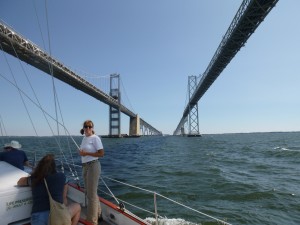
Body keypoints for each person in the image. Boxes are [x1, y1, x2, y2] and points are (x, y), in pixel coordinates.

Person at [17, 154, 81, 225]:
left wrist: (34, 173)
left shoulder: (35, 178)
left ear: (40, 166)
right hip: (57, 215)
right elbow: (64, 198)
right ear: (54, 166)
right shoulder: (61, 177)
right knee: (77, 206)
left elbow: (19, 182)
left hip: (38, 216)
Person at [79, 120, 105, 225]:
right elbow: (83, 152)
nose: (88, 128)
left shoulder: (95, 138)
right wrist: (81, 153)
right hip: (85, 166)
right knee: (89, 193)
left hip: (93, 165)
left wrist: (86, 153)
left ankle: (92, 221)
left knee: (91, 194)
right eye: (86, 127)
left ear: (92, 128)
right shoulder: (84, 138)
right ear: (84, 128)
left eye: (90, 127)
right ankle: (98, 214)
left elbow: (101, 154)